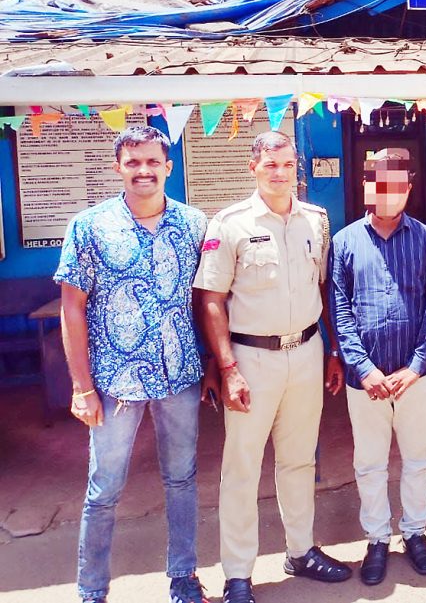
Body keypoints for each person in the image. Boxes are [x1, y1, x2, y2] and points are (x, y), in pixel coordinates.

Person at [193, 131, 349, 603]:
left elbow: (323, 289)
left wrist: (333, 351)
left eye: (287, 164)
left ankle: (300, 551)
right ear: (253, 168)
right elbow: (211, 299)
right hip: (251, 359)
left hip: (305, 352)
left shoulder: (316, 220)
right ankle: (238, 575)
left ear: (296, 167)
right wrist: (227, 368)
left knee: (300, 460)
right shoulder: (230, 223)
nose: (280, 173)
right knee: (242, 467)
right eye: (270, 165)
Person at [55, 126, 209, 603]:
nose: (144, 170)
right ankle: (92, 590)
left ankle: (183, 577)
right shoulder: (90, 226)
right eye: (133, 162)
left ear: (168, 167)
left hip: (179, 375)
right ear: (118, 168)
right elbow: (72, 307)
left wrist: (214, 366)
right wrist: (82, 387)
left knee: (181, 479)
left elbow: (205, 299)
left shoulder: (193, 224)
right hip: (114, 382)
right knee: (104, 489)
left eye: (152, 161)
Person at [330, 148, 426, 586]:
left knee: (418, 456)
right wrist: (363, 368)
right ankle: (377, 538)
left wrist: (415, 366)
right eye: (379, 184)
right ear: (367, 187)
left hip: (417, 376)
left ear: (408, 189)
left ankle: (414, 532)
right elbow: (339, 309)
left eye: (397, 185)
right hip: (367, 381)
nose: (388, 192)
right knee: (370, 461)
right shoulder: (345, 242)